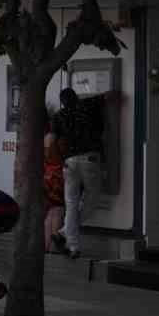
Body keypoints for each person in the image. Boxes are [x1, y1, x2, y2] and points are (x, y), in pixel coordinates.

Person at [52, 85, 115, 259]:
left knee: (71, 203)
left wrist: (60, 160)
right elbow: (110, 95)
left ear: (62, 103)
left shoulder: (58, 116)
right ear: (76, 97)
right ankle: (65, 233)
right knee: (92, 198)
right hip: (90, 159)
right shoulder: (88, 105)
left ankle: (72, 245)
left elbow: (53, 141)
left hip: (69, 162)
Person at [43, 131, 65, 250]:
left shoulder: (46, 138)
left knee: (49, 215)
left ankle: (46, 246)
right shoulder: (58, 139)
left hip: (47, 179)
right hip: (56, 180)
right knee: (57, 212)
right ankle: (55, 243)